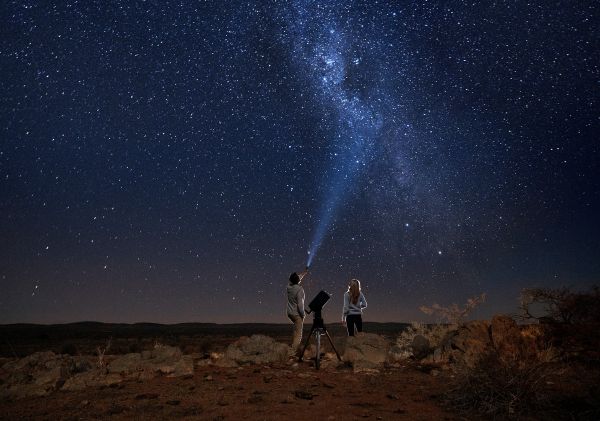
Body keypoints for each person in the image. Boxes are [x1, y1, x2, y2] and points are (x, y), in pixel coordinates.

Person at [286, 268, 309, 356]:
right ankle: (292, 352)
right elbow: (300, 305)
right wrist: (303, 315)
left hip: (289, 313)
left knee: (295, 330)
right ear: (298, 281)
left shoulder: (289, 287)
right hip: (297, 314)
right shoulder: (300, 290)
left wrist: (304, 273)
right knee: (299, 334)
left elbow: (296, 278)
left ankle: (292, 347)